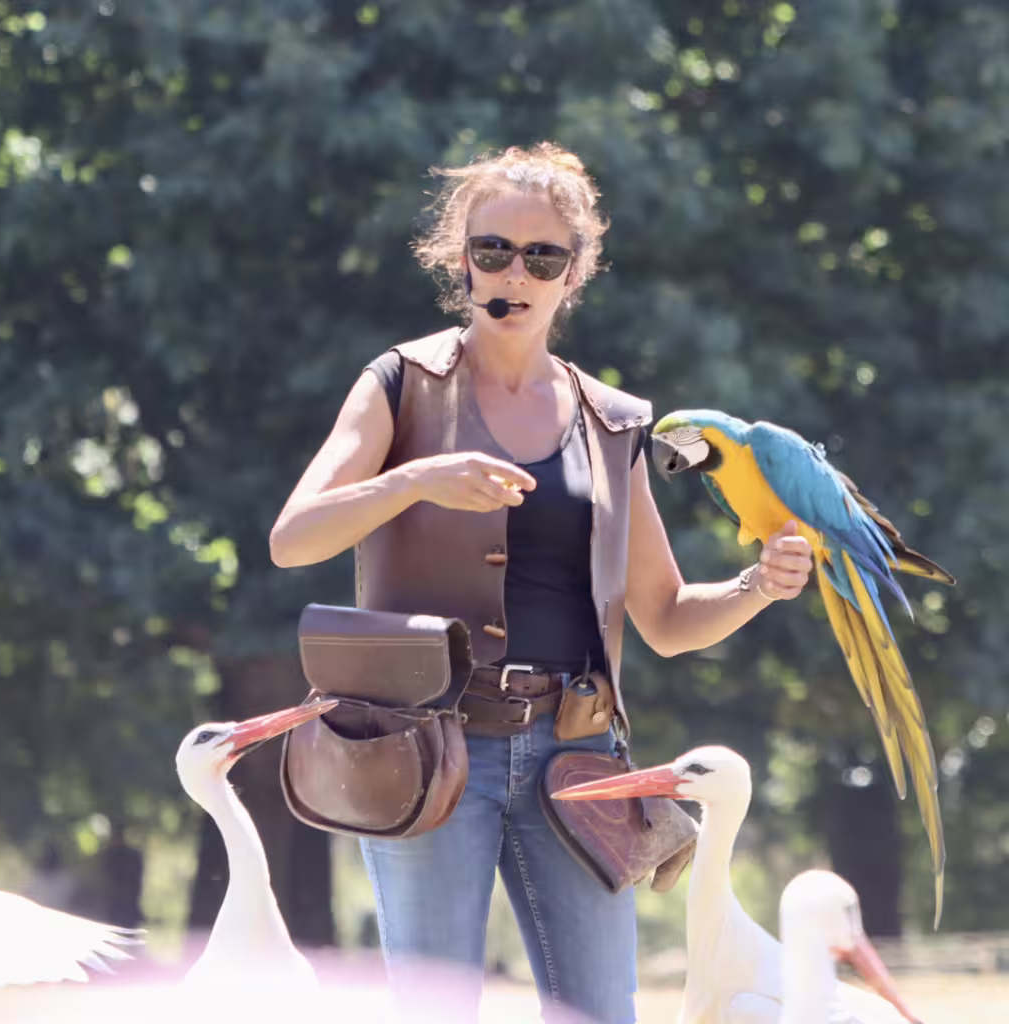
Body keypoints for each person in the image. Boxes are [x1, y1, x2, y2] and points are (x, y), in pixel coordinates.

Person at [269, 142, 813, 1024]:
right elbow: (293, 539)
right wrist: (413, 479)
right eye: (491, 251)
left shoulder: (615, 421)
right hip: (425, 749)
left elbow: (668, 620)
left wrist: (759, 583)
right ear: (460, 262)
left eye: (541, 256)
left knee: (603, 1015)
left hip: (577, 758)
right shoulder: (400, 383)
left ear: (575, 273)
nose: (512, 274)